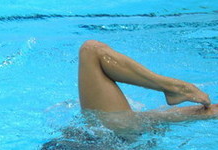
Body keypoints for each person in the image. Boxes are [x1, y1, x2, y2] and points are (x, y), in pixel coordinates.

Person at [77, 40, 218, 133]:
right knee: (91, 51)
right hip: (107, 141)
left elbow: (147, 119)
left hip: (105, 138)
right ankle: (172, 88)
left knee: (91, 51)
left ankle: (172, 88)